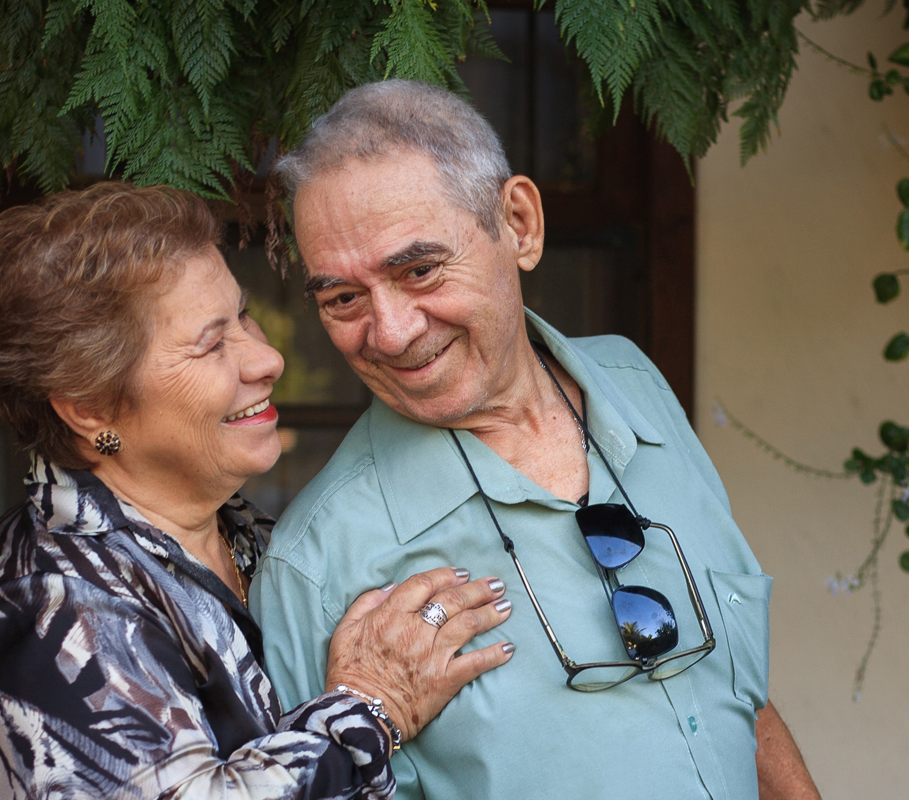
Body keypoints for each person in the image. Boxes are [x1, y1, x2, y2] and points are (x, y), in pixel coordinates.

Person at [251, 80, 823, 800]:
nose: (391, 333)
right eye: (342, 299)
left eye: (419, 270)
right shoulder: (320, 565)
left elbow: (733, 690)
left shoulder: (630, 380)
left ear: (517, 224)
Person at [0, 183, 517, 800]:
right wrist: (372, 705)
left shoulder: (238, 534)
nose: (267, 360)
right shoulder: (51, 602)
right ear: (91, 406)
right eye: (212, 343)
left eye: (242, 315)